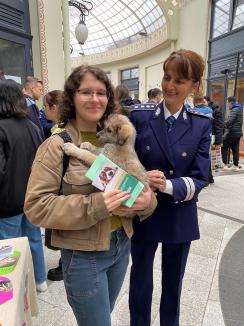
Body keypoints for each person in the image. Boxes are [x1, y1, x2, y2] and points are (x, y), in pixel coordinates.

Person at [24, 64, 157, 326]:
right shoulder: (57, 145)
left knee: (102, 317)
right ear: (71, 97)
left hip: (121, 245)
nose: (95, 99)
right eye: (86, 92)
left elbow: (138, 184)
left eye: (101, 92)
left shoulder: (117, 141)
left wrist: (146, 202)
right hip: (84, 256)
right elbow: (36, 206)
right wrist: (97, 204)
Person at [129, 49, 212, 326]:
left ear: (194, 86)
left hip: (179, 212)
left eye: (180, 80)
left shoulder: (201, 125)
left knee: (173, 284)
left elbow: (200, 178)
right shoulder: (139, 117)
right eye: (167, 77)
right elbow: (124, 162)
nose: (170, 86)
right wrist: (139, 184)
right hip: (143, 210)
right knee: (140, 280)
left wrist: (167, 185)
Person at [0, 79, 47, 292]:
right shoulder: (32, 126)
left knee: (9, 245)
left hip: (7, 200)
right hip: (32, 196)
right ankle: (40, 280)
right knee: (34, 238)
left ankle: (13, 290)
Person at [43, 90, 64, 281]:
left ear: (54, 108)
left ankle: (64, 264)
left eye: (45, 106)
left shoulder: (58, 136)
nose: (43, 110)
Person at [204, 96, 224, 183]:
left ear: (208, 101)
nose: (203, 104)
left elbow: (219, 126)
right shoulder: (209, 109)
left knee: (210, 158)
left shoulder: (215, 110)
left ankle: (209, 178)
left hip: (213, 137)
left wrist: (218, 142)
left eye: (204, 102)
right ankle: (209, 178)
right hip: (210, 136)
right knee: (209, 158)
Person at [221, 96, 243, 171]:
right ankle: (235, 165)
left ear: (231, 102)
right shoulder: (240, 109)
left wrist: (222, 124)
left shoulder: (235, 110)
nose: (228, 104)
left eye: (228, 103)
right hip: (238, 132)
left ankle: (224, 164)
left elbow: (230, 121)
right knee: (235, 149)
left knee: (223, 146)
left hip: (232, 132)